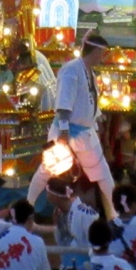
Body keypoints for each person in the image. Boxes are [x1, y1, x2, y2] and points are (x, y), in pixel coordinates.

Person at [46, 31, 115, 218]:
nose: (103, 58)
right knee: (61, 177)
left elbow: (90, 102)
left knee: (102, 177)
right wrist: (64, 131)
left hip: (85, 132)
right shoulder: (71, 70)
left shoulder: (88, 71)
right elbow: (64, 102)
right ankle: (59, 215)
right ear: (96, 52)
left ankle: (113, 215)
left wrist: (96, 124)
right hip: (69, 132)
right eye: (102, 53)